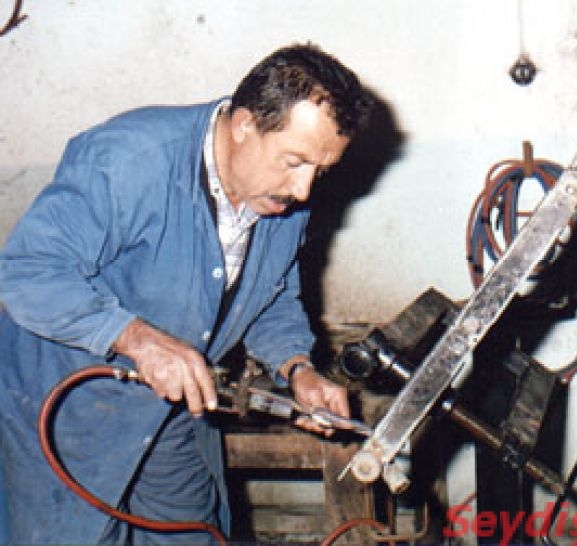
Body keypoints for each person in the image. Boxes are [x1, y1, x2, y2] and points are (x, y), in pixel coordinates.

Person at [0, 43, 373, 544]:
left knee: (193, 532)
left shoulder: (281, 199)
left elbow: (273, 294)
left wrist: (297, 368)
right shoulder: (127, 161)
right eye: (294, 161)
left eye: (319, 170)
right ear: (244, 126)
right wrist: (136, 338)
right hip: (68, 407)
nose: (304, 190)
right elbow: (28, 271)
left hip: (171, 410)